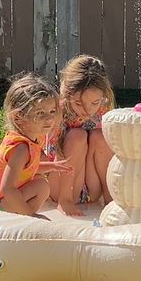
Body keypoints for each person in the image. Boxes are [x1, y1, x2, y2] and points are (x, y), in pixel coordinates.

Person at [0, 73, 72, 216]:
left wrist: (53, 166)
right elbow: (8, 189)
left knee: (41, 185)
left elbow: (26, 169)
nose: (49, 118)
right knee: (41, 186)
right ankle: (25, 218)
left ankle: (23, 217)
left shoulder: (34, 138)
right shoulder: (21, 148)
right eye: (40, 113)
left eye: (52, 111)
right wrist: (31, 217)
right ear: (18, 118)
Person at [48, 55, 115, 216]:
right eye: (78, 103)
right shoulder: (58, 112)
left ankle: (111, 198)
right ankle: (65, 201)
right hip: (62, 185)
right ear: (66, 94)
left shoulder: (102, 110)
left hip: (92, 189)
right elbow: (52, 154)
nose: (87, 110)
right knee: (77, 136)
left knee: (101, 136)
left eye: (94, 103)